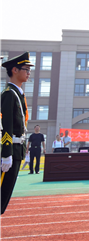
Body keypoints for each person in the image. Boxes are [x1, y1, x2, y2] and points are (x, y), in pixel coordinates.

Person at [1, 53, 31, 214]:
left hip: (17, 150)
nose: (29, 72)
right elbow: (6, 126)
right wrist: (6, 153)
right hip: (9, 150)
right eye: (25, 69)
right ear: (14, 70)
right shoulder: (8, 94)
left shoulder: (18, 94)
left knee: (4, 196)